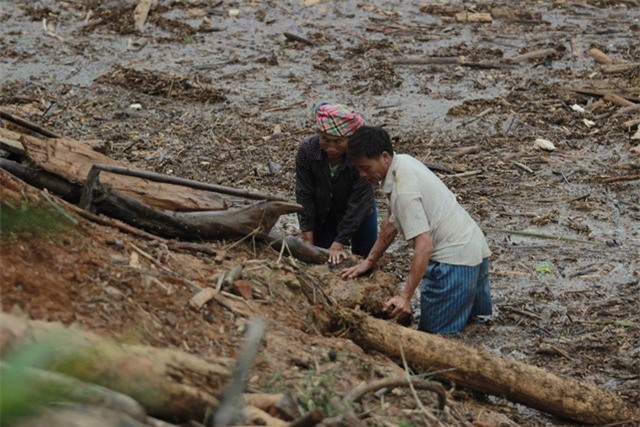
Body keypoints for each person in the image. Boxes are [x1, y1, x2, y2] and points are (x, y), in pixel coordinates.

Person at [341, 126, 492, 334]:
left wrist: (405, 296)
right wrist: (369, 261)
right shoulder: (403, 162)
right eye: (358, 168)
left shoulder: (403, 191)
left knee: (436, 339)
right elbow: (389, 225)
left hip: (453, 265)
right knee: (478, 326)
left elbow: (424, 246)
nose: (362, 174)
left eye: (366, 168)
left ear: (384, 157)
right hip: (475, 251)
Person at [295, 102, 378, 264]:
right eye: (325, 140)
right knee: (320, 255)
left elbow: (358, 203)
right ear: (319, 134)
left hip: (360, 210)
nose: (331, 147)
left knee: (365, 254)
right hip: (324, 211)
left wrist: (339, 243)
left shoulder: (361, 156)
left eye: (338, 142)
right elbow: (304, 194)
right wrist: (307, 236)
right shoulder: (307, 150)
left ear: (350, 139)